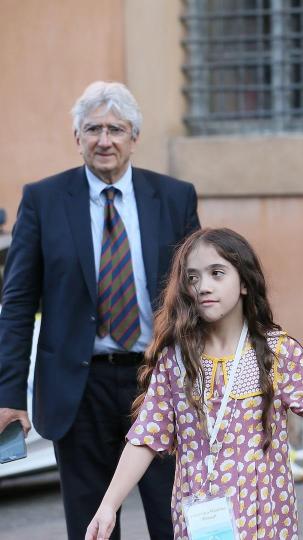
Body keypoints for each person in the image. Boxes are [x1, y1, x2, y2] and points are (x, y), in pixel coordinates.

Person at [84, 228, 303, 540]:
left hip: (266, 519)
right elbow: (145, 437)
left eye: (216, 273)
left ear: (243, 283)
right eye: (193, 278)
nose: (203, 286)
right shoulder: (176, 359)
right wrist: (108, 506)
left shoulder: (275, 352)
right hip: (199, 522)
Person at [0, 81, 199, 539]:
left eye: (115, 129)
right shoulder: (43, 200)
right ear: (77, 137)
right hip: (78, 387)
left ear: (134, 137)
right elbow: (16, 305)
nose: (104, 140)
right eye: (92, 129)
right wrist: (10, 394)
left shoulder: (174, 197)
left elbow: (197, 294)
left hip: (158, 381)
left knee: (174, 519)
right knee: (93, 527)